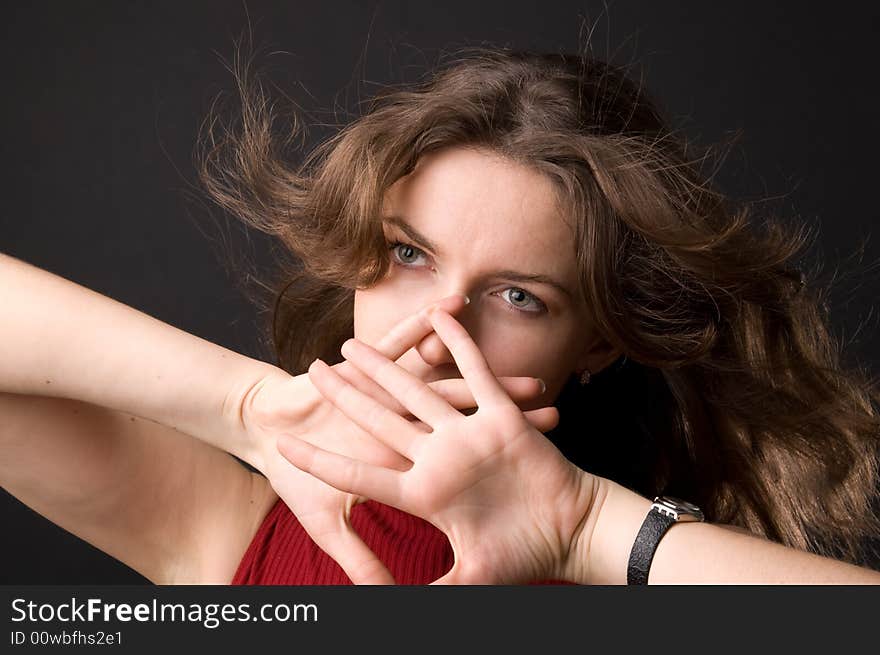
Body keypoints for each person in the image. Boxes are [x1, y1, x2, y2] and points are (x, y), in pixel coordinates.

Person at [1, 46, 878, 584]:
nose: (433, 324)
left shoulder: (657, 569)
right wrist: (248, 409)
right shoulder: (249, 531)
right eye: (409, 254)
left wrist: (582, 528)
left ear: (599, 344)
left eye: (517, 296)